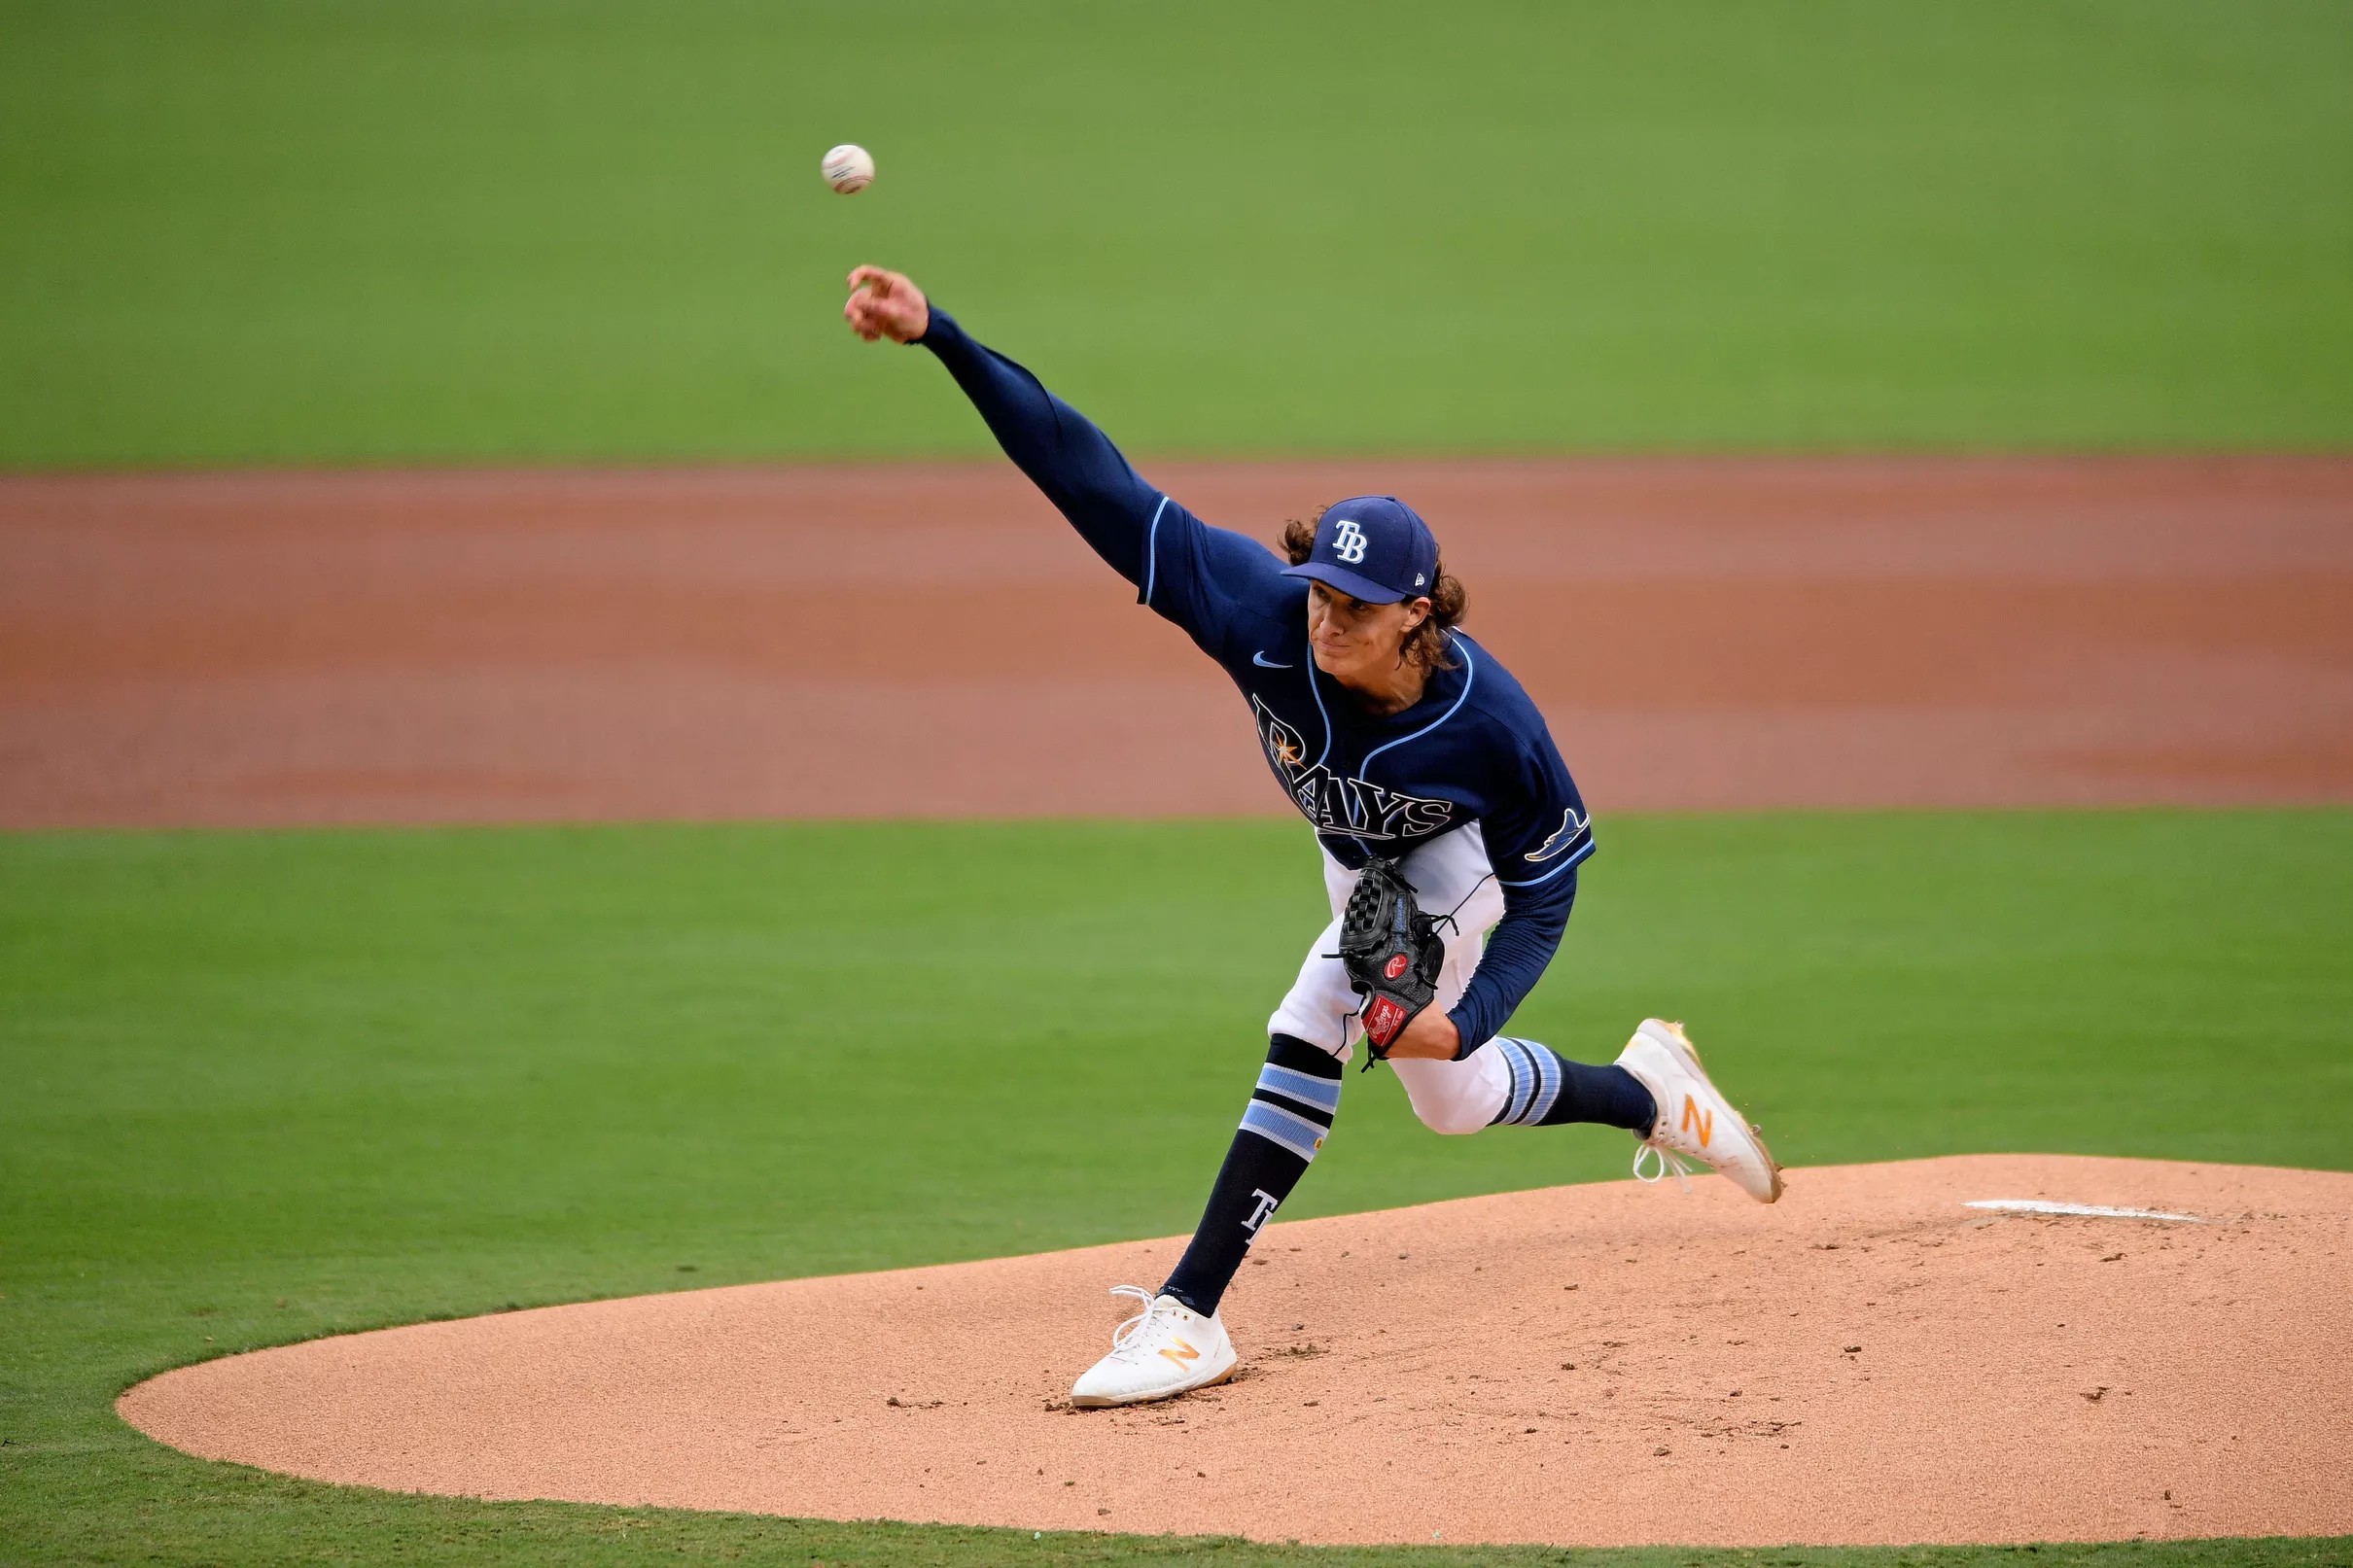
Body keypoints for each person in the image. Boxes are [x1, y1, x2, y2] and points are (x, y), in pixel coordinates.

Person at [843, 266, 1782, 1409]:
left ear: (1417, 615)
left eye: (1356, 603)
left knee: (1325, 1006)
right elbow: (1084, 472)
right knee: (1453, 1098)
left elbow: (1546, 894)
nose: (1326, 615)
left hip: (1456, 865)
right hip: (1356, 856)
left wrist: (1468, 1008)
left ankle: (1189, 1312)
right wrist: (941, 335)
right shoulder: (1257, 609)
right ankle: (1647, 1089)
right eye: (1321, 590)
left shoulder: (1492, 728)